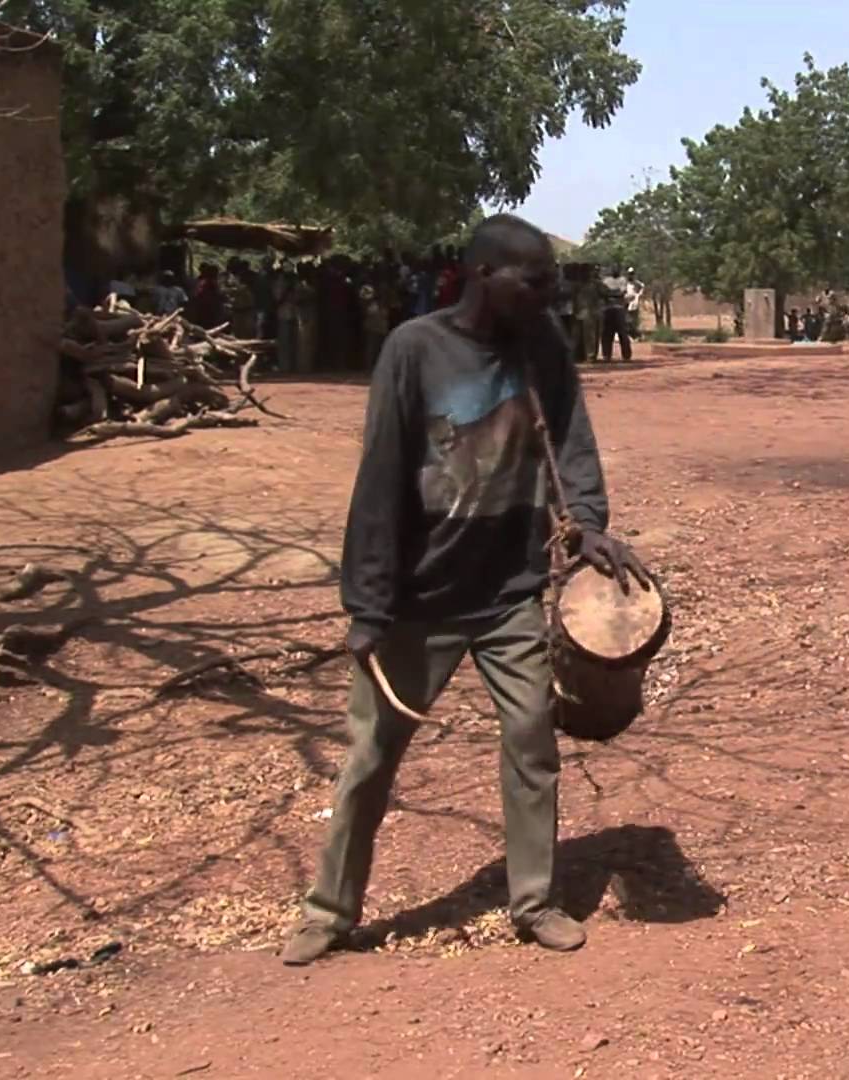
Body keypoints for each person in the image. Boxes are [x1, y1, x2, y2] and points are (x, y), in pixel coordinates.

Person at [281, 214, 648, 965]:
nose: (550, 294)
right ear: (484, 274)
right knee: (371, 758)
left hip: (508, 587)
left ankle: (535, 900)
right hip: (419, 598)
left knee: (530, 740)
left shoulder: (542, 345)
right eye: (534, 281)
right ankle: (329, 911)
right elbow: (380, 475)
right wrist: (368, 603)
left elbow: (571, 442)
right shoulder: (414, 350)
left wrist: (589, 524)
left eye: (550, 281)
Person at [598, 265, 632, 362]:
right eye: (613, 268)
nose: (614, 270)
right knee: (607, 333)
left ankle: (626, 356)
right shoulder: (606, 280)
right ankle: (606, 355)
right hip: (607, 309)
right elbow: (602, 293)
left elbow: (621, 293)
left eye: (616, 269)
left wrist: (609, 293)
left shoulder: (623, 280)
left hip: (619, 309)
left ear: (619, 270)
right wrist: (614, 293)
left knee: (623, 333)